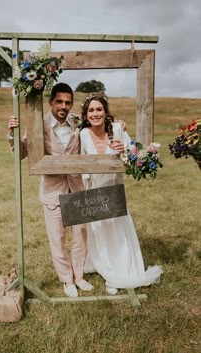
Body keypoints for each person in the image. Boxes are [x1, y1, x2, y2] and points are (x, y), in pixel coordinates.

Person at [7, 83, 96, 298]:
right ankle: (67, 280)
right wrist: (12, 133)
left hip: (77, 188)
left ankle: (79, 276)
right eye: (59, 102)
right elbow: (22, 153)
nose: (63, 106)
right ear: (51, 102)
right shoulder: (40, 124)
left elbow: (99, 123)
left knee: (80, 237)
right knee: (57, 238)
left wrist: (117, 124)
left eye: (67, 102)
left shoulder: (77, 121)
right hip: (52, 191)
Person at [79, 93, 163, 295]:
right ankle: (107, 271)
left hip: (115, 190)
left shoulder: (117, 129)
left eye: (99, 109)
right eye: (91, 110)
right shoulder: (82, 134)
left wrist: (124, 148)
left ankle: (120, 272)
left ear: (106, 111)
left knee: (117, 230)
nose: (95, 113)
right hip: (94, 190)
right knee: (100, 232)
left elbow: (134, 153)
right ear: (85, 114)